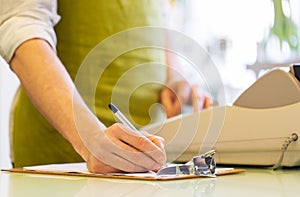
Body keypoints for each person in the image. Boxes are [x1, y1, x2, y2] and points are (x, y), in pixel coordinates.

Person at [0, 0, 210, 173]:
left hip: (149, 157)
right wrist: (87, 136)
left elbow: (159, 16)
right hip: (60, 146)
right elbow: (20, 25)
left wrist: (173, 77)